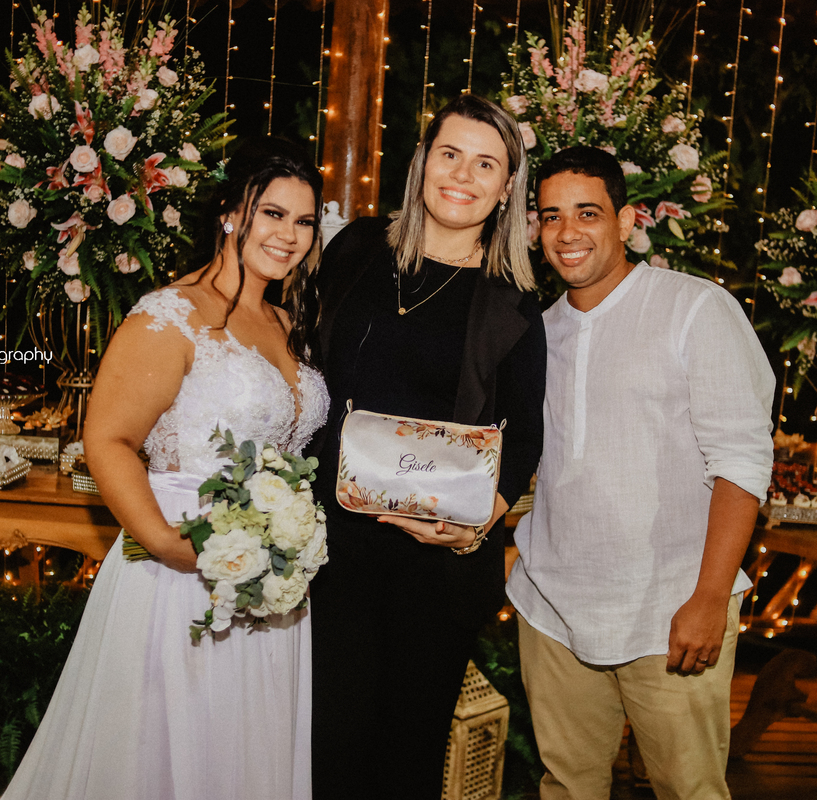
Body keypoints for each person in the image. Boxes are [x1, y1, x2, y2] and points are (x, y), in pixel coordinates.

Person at [1, 138, 329, 800]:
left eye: (303, 221)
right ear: (230, 213)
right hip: (182, 571)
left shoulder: (285, 319)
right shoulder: (170, 315)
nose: (288, 235)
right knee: (169, 749)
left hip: (273, 589)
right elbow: (108, 438)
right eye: (271, 213)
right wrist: (163, 542)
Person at [507, 145, 774, 800]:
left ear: (626, 221)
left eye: (587, 213)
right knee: (566, 787)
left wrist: (709, 599)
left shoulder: (694, 309)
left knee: (690, 791)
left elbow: (742, 460)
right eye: (551, 216)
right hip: (552, 610)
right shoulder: (536, 332)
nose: (567, 232)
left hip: (670, 608)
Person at [308, 94, 547, 800]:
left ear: (507, 187)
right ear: (422, 162)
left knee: (406, 761)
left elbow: (525, 437)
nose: (463, 175)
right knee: (328, 748)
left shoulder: (512, 300)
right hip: (331, 553)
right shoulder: (356, 250)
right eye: (450, 154)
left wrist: (475, 529)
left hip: (435, 568)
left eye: (485, 164)